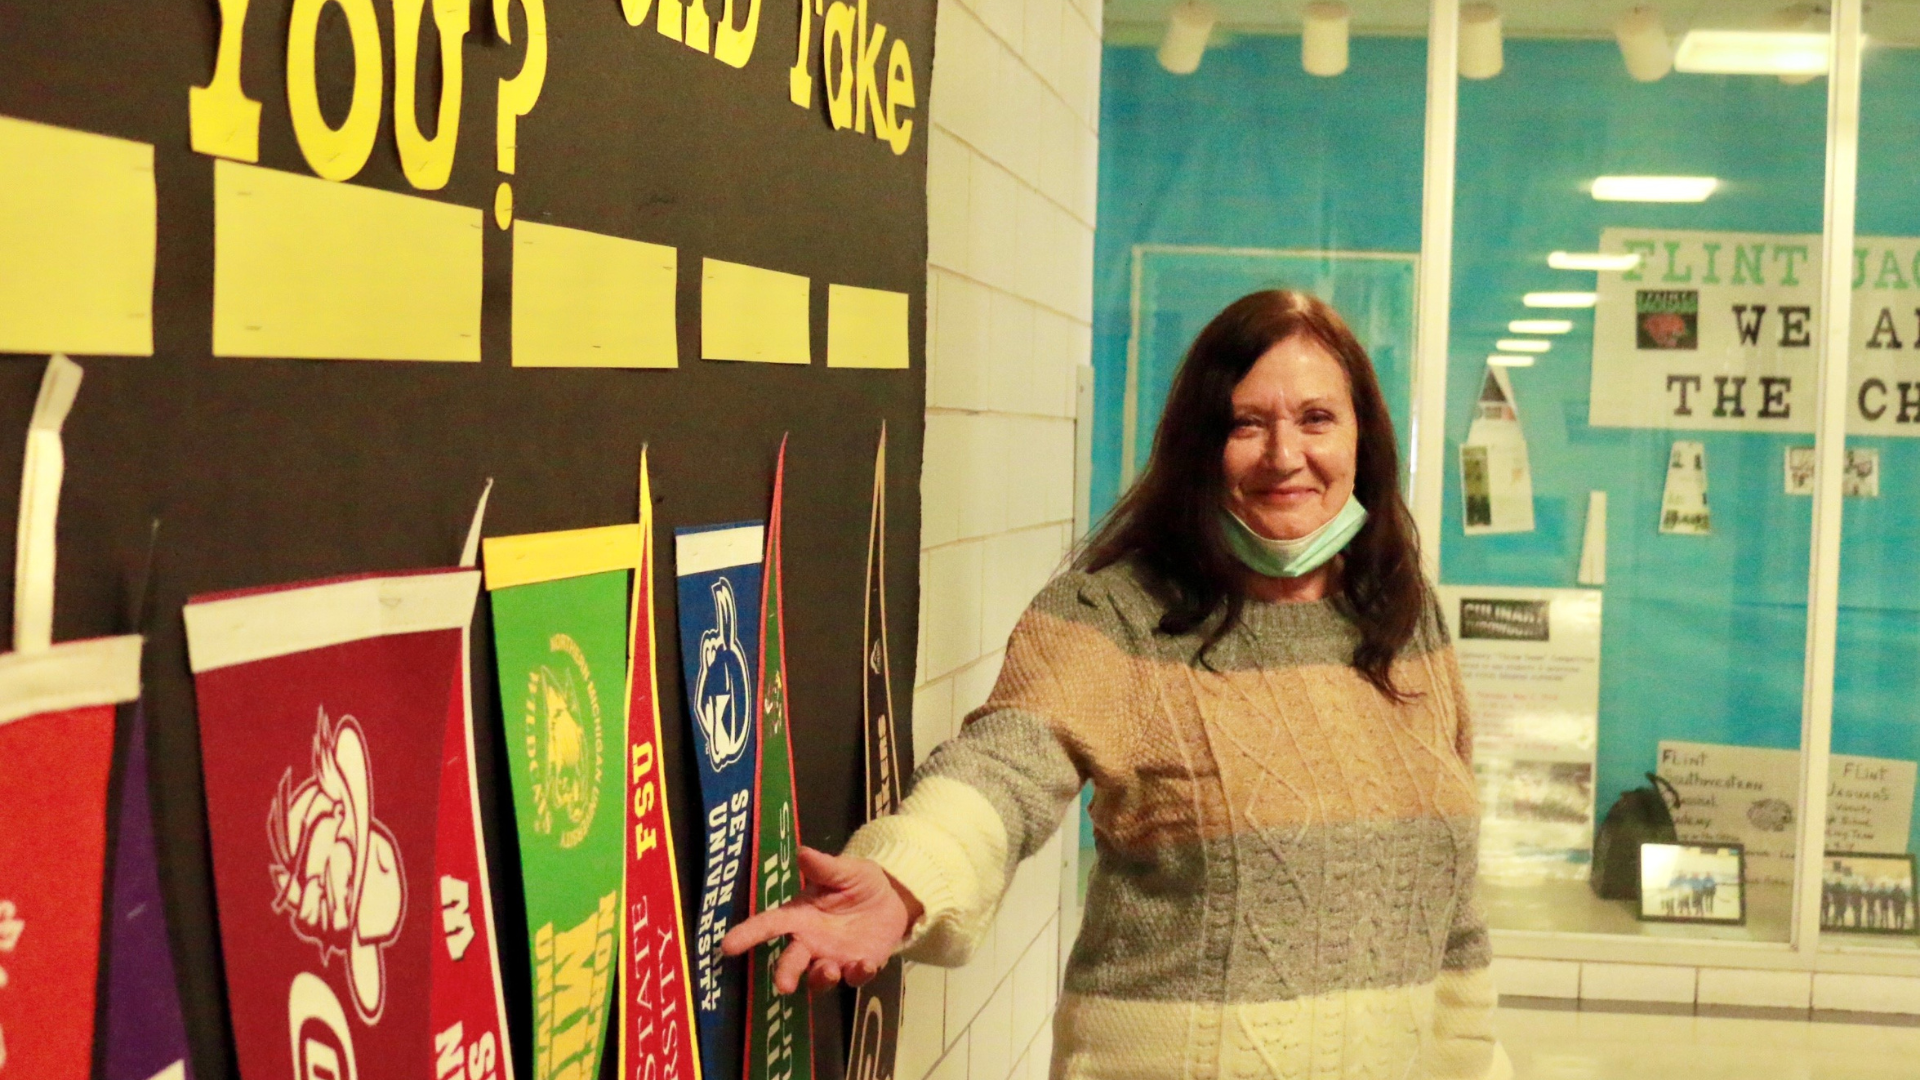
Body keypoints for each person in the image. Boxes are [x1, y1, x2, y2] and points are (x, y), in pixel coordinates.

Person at [723, 290, 1511, 1079]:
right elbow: (1004, 763)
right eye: (1247, 424)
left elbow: (1450, 908)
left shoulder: (1404, 623)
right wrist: (904, 880)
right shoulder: (1120, 615)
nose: (1284, 455)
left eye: (1316, 419)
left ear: (1363, 438)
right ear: (1200, 447)